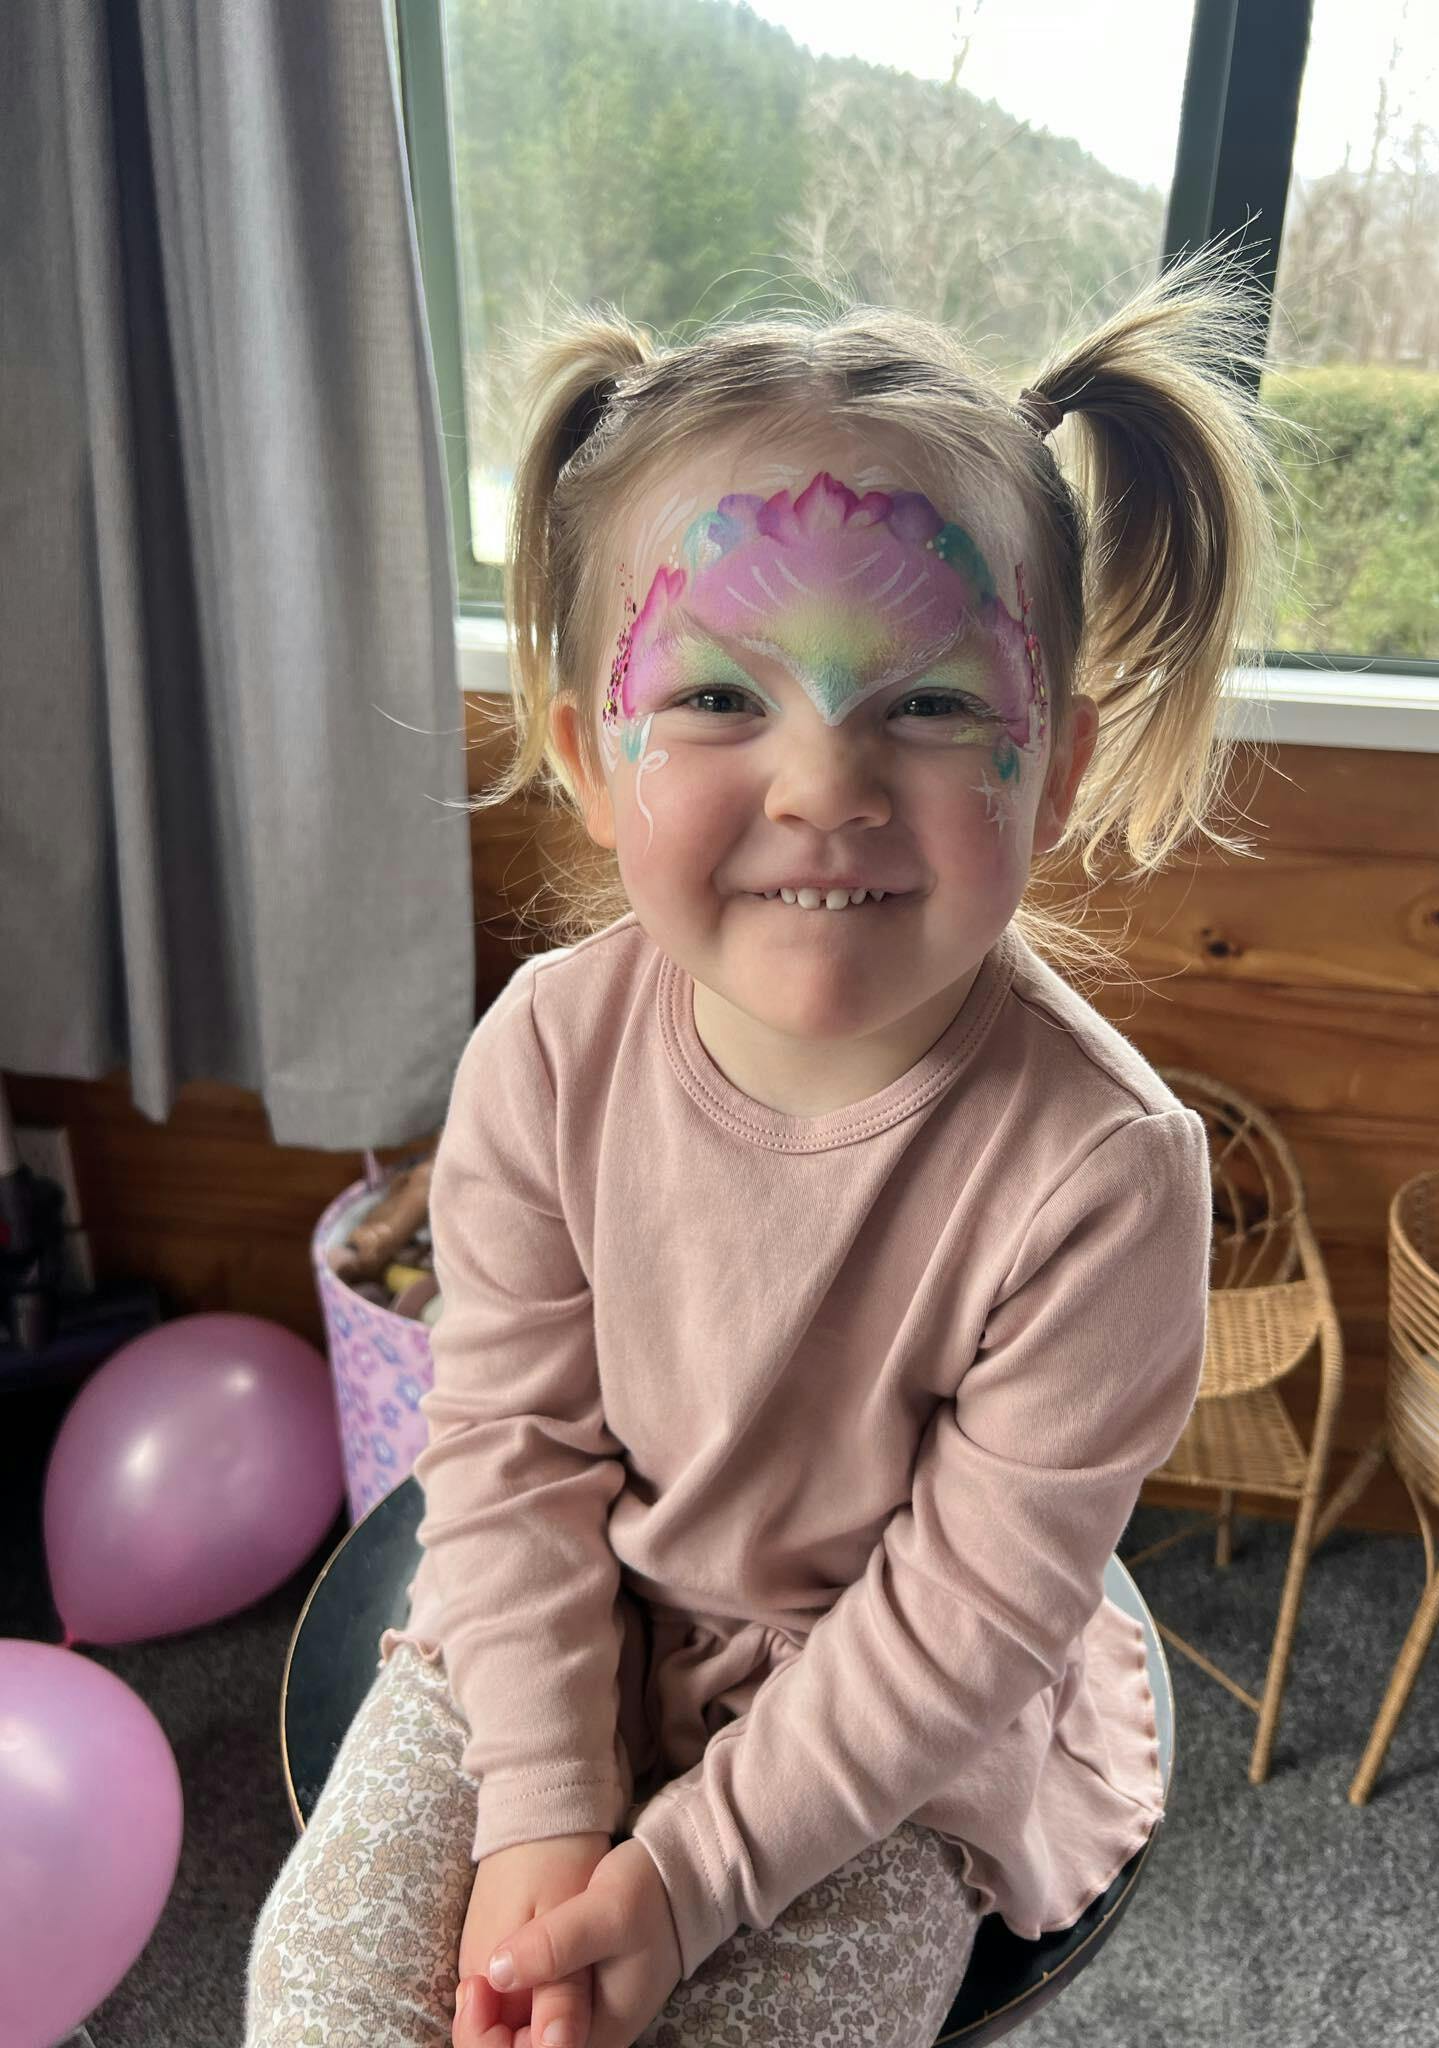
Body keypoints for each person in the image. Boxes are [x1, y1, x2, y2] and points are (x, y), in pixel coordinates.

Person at [246, 236, 1296, 2048]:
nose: (824, 785)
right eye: (720, 697)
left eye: (934, 702)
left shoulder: (1106, 1174)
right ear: (591, 753)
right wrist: (544, 1815)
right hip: (559, 1613)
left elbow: (963, 1624)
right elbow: (509, 1452)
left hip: (889, 1724)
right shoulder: (544, 1058)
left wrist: (683, 1883)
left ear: (1055, 765)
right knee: (318, 1996)